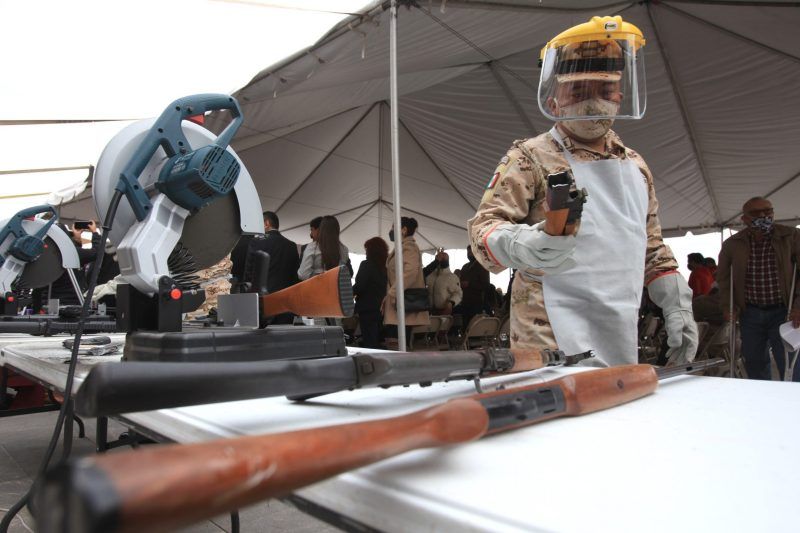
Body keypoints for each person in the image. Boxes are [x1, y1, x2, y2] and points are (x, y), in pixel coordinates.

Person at [468, 16, 697, 367]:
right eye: (578, 92)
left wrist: (677, 303)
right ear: (555, 101)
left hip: (617, 322)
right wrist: (519, 243)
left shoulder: (635, 166)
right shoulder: (530, 157)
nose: (592, 103)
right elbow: (483, 230)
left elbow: (651, 246)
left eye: (604, 91)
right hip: (546, 332)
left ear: (620, 96)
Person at [717, 197, 800, 381]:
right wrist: (727, 306)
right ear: (744, 218)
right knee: (754, 362)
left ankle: (794, 397)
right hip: (750, 313)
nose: (763, 215)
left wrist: (798, 306)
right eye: (755, 213)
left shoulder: (792, 237)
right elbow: (724, 279)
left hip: (784, 311)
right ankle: (762, 396)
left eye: (767, 211)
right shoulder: (733, 244)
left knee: (789, 363)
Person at [245, 211, 300, 324]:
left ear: (266, 223)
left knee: (262, 334)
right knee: (284, 333)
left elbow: (249, 273)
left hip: (264, 303)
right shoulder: (291, 245)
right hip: (286, 303)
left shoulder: (257, 242)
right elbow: (295, 276)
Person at [383, 217, 429, 341]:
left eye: (393, 228)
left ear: (403, 230)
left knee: (396, 343)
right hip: (398, 303)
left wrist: (392, 293)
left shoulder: (409, 247)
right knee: (394, 342)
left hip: (404, 304)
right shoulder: (401, 247)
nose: (391, 231)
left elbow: (410, 272)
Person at [353, 237, 389, 348]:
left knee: (369, 341)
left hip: (367, 308)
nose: (365, 253)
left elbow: (360, 286)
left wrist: (347, 293)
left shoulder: (366, 265)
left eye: (367, 250)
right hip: (382, 308)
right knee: (377, 339)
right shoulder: (386, 267)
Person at [297, 215, 350, 280]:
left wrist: (319, 274)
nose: (311, 234)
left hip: (317, 285)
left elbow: (303, 274)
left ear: (321, 229)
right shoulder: (344, 249)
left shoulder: (312, 247)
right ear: (337, 230)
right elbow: (342, 272)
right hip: (335, 285)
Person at [457, 245, 490, 329]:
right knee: (465, 326)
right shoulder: (465, 267)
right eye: (468, 252)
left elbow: (486, 285)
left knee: (475, 327)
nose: (469, 254)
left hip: (477, 303)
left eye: (471, 252)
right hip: (465, 302)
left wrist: (470, 284)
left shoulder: (482, 266)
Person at [425, 252, 462, 316]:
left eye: (443, 258)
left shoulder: (452, 277)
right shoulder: (429, 276)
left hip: (444, 311)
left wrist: (451, 303)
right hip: (429, 311)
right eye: (438, 258)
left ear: (447, 261)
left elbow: (458, 293)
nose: (441, 259)